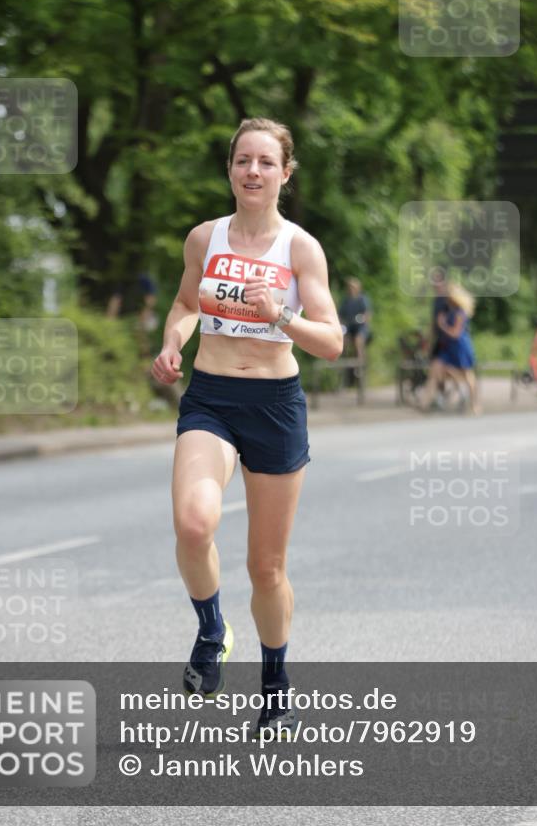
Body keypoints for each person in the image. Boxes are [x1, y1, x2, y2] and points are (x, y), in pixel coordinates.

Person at [151, 117, 343, 737]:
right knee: (193, 523)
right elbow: (185, 304)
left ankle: (276, 684)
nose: (252, 172)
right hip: (210, 397)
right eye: (242, 161)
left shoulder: (300, 248)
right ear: (229, 169)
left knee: (267, 568)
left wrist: (281, 313)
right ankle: (211, 631)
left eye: (265, 162)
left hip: (275, 406)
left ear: (285, 174)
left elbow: (333, 341)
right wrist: (173, 343)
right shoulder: (204, 239)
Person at [419, 281, 480, 414]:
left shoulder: (460, 312)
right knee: (434, 371)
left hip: (460, 347)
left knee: (468, 376)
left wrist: (442, 325)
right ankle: (425, 403)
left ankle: (474, 404)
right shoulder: (448, 310)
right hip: (446, 347)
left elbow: (455, 333)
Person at [338, 277, 372, 375]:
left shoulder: (363, 299)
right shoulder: (346, 300)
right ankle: (343, 365)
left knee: (358, 341)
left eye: (353, 287)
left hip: (360, 327)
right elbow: (340, 315)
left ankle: (360, 365)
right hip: (349, 327)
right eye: (349, 287)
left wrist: (363, 319)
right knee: (342, 341)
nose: (351, 289)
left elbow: (367, 314)